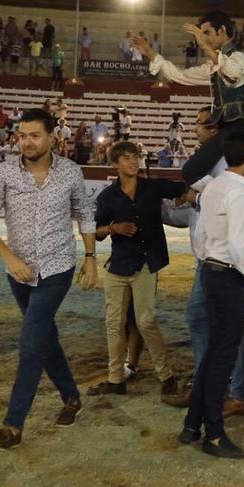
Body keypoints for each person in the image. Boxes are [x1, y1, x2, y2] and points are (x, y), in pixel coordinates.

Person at [0, 108, 97, 451]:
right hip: (19, 273)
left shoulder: (71, 172)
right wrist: (9, 257)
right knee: (45, 338)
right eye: (22, 135)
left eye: (34, 135)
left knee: (30, 344)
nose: (26, 142)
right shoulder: (2, 174)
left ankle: (13, 426)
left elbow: (86, 214)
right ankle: (72, 398)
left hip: (58, 269)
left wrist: (90, 258)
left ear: (52, 138)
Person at [178, 131, 244, 459]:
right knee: (223, 356)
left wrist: (209, 259)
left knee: (213, 354)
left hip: (209, 269)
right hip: (229, 277)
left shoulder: (213, 187)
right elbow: (238, 246)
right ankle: (214, 434)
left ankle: (193, 425)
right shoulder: (240, 194)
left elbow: (201, 235)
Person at [90, 141, 185, 398]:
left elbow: (184, 188)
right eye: (127, 158)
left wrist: (192, 199)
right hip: (119, 265)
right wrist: (114, 228)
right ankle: (115, 379)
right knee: (114, 324)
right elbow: (95, 232)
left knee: (146, 321)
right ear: (116, 164)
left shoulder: (153, 187)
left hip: (145, 263)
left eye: (136, 157)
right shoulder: (107, 197)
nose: (134, 162)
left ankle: (165, 374)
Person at [134, 11, 244, 186]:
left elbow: (232, 73)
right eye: (202, 34)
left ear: (221, 31)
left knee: (193, 171)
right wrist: (150, 53)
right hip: (228, 128)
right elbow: (180, 76)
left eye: (207, 33)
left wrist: (204, 46)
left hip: (240, 128)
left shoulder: (239, 56)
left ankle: (211, 197)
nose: (203, 39)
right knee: (198, 172)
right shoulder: (213, 65)